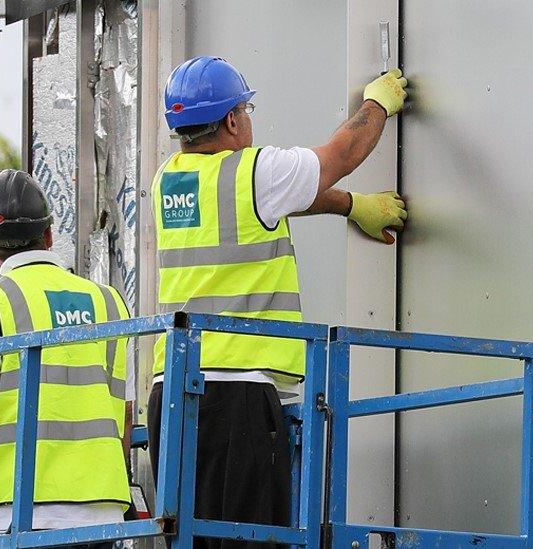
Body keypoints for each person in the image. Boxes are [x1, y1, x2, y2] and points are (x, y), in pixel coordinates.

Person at [147, 56, 409, 548]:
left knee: (192, 540)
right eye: (245, 109)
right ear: (231, 120)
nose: (249, 118)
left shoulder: (169, 181)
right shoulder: (254, 170)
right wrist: (378, 103)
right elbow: (342, 153)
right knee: (250, 539)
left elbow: (282, 197)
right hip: (238, 395)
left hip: (173, 393)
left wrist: (352, 205)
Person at [0, 169, 131, 549]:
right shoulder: (109, 302)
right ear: (50, 236)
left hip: (10, 511)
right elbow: (123, 410)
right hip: (100, 514)